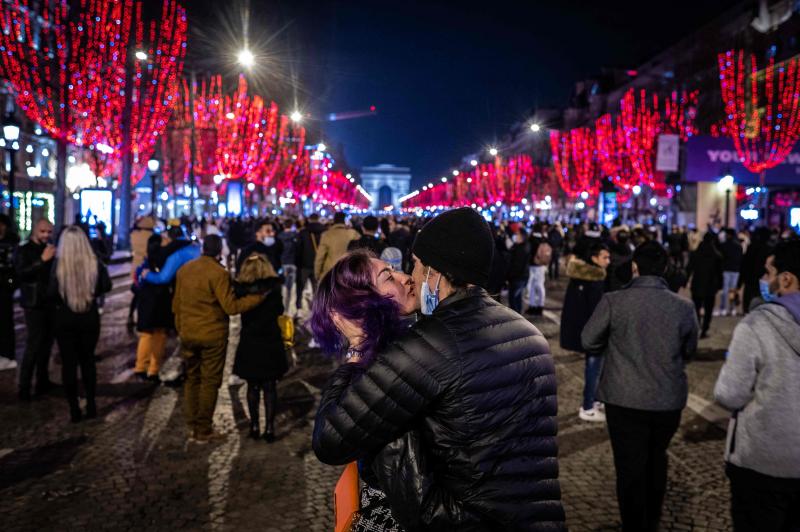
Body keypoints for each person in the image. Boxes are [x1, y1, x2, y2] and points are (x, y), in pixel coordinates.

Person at [312, 208, 564, 529]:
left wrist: (357, 351)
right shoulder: (528, 332)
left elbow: (330, 440)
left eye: (415, 265)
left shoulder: (427, 345)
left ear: (435, 272)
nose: (409, 276)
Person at [582, 241, 698, 532]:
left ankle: (634, 523)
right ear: (666, 268)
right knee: (657, 457)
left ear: (635, 267)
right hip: (667, 399)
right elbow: (690, 349)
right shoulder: (683, 306)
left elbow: (589, 340)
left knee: (629, 465)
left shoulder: (614, 301)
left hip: (623, 397)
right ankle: (653, 519)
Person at [714, 240, 800, 531]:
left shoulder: (757, 325)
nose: (765, 279)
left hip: (762, 462)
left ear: (786, 278)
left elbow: (729, 393)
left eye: (769, 271)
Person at [172, 235, 264, 442]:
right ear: (219, 250)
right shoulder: (219, 273)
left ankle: (192, 425)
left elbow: (176, 305)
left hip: (188, 334)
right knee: (210, 381)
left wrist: (182, 329)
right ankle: (203, 429)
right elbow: (231, 307)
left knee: (192, 378)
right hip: (212, 336)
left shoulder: (185, 270)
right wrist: (256, 298)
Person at [49, 226, 112, 422]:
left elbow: (51, 294)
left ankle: (74, 410)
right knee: (87, 361)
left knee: (69, 364)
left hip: (66, 318)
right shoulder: (94, 263)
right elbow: (106, 286)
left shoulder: (58, 265)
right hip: (89, 316)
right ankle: (91, 405)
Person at [233, 254, 286, 442]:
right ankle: (270, 428)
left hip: (250, 341)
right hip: (270, 340)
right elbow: (280, 310)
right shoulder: (274, 288)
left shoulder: (241, 289)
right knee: (270, 387)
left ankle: (254, 425)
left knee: (252, 386)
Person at [560, 242, 610, 422]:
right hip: (593, 332)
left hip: (584, 329)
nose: (608, 261)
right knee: (594, 368)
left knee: (596, 367)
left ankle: (595, 400)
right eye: (605, 257)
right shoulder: (594, 279)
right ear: (594, 258)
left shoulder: (580, 277)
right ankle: (588, 406)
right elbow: (596, 311)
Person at [15, 219, 56, 400]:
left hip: (49, 302)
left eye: (49, 232)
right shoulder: (24, 250)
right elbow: (21, 273)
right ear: (34, 231)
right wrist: (42, 260)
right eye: (42, 231)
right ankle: (24, 387)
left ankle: (42, 381)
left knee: (47, 344)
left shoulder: (49, 249)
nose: (46, 235)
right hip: (33, 303)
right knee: (33, 344)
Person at [132, 234, 174, 381]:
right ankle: (153, 369)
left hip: (146, 303)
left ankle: (140, 367)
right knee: (159, 335)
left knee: (146, 334)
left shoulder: (145, 263)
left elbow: (136, 284)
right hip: (161, 302)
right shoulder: (166, 263)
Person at [687, 231, 723, 338]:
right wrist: (720, 285)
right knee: (708, 309)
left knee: (696, 308)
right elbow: (719, 273)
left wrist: (685, 280)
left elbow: (689, 268)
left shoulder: (695, 253)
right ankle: (705, 329)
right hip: (711, 286)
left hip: (697, 284)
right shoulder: (717, 255)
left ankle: (697, 326)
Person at [314, 212, 359, 281]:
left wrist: (317, 274)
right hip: (347, 273)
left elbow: (320, 257)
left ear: (334, 221)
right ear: (344, 221)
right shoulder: (353, 234)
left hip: (329, 273)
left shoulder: (327, 235)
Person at [0, 214, 20, 370]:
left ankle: (8, 354)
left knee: (6, 321)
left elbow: (14, 266)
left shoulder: (11, 243)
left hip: (5, 287)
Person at [128, 215, 156, 326]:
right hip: (146, 268)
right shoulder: (152, 237)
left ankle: (130, 315)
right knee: (145, 295)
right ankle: (142, 318)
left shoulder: (134, 235)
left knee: (137, 293)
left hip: (135, 267)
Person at [295, 213, 325, 312]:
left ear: (309, 219)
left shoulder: (303, 232)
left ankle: (298, 305)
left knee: (301, 286)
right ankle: (316, 306)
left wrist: (297, 263)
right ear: (318, 219)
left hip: (304, 264)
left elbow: (298, 249)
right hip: (318, 264)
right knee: (316, 287)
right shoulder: (324, 231)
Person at [526, 222, 551, 316]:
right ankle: (539, 306)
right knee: (539, 286)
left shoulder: (531, 239)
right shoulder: (544, 239)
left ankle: (533, 306)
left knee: (533, 286)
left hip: (532, 265)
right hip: (541, 265)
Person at [718, 228, 743, 316]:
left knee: (725, 290)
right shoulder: (738, 245)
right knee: (733, 290)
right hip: (736, 270)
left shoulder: (724, 245)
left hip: (726, 269)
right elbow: (741, 258)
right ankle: (732, 308)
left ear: (728, 235)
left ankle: (723, 308)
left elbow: (721, 258)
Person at [505, 224, 530, 313]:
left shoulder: (521, 249)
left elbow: (517, 266)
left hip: (517, 277)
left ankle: (515, 318)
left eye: (518, 234)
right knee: (518, 298)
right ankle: (519, 316)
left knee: (513, 299)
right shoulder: (522, 246)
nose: (516, 236)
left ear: (522, 236)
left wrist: (509, 276)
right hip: (521, 276)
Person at [277, 218, 298, 314]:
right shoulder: (296, 236)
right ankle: (290, 310)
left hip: (283, 263)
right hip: (293, 263)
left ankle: (283, 308)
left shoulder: (279, 237)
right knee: (292, 287)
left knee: (283, 287)